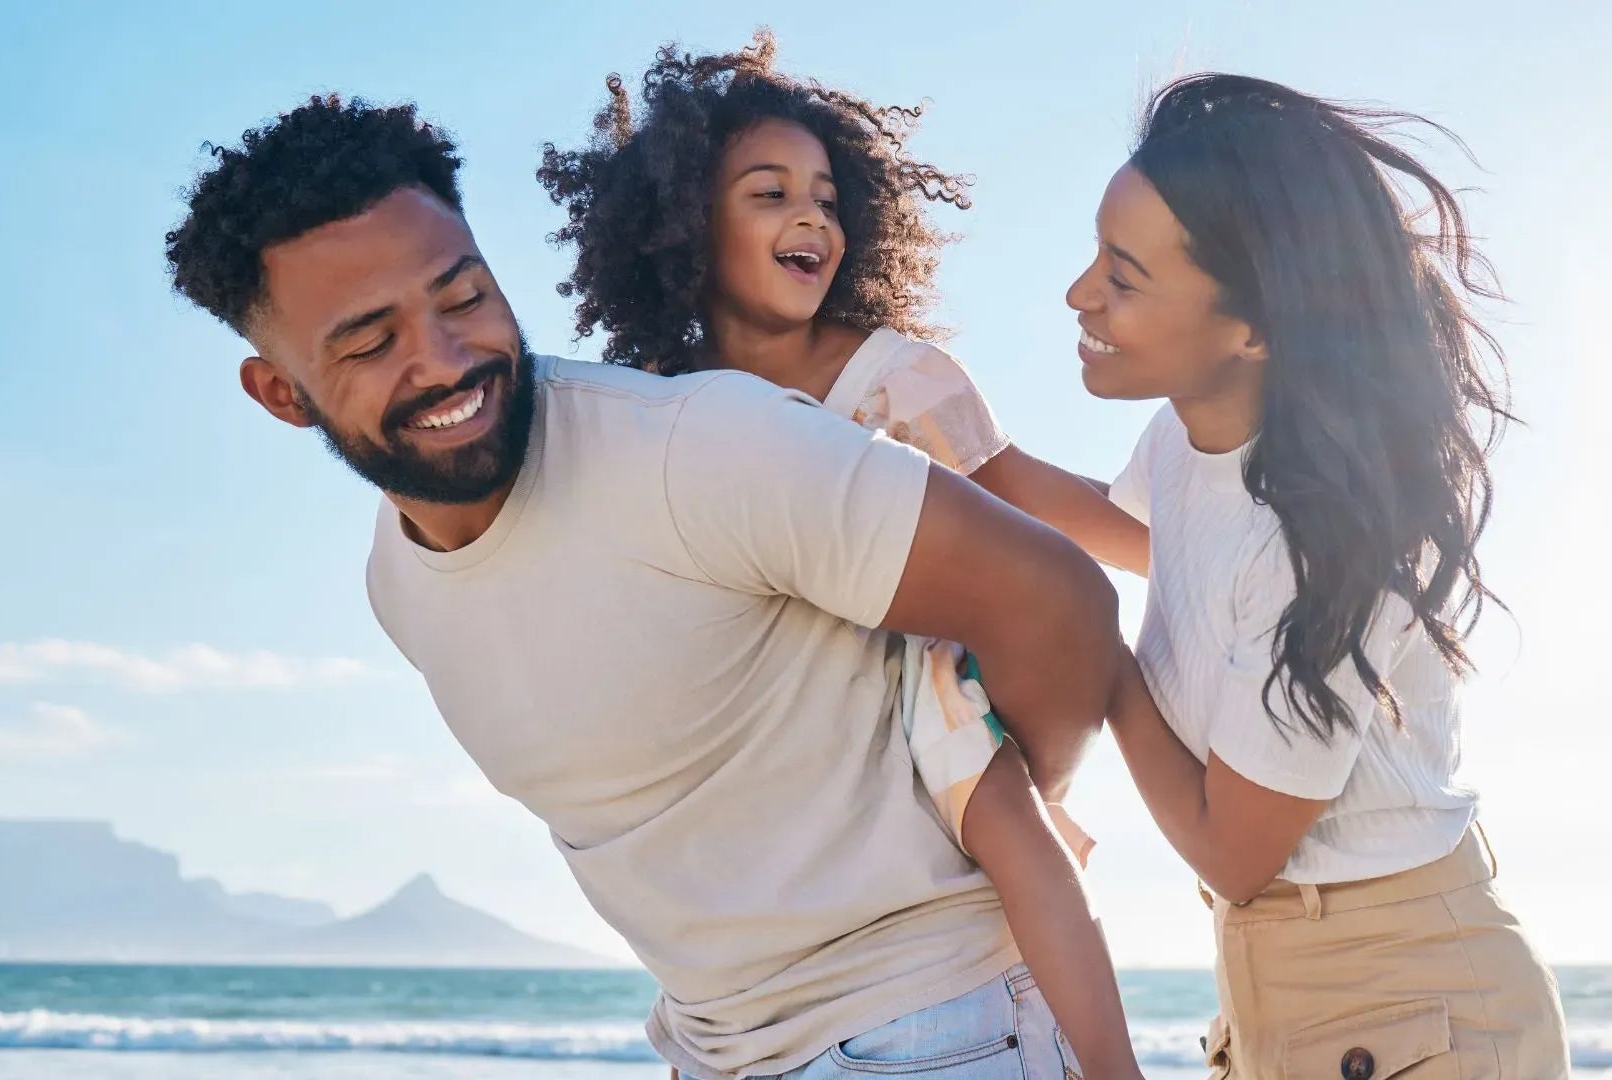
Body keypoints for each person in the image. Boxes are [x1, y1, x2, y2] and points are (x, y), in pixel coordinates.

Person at [165, 93, 1122, 1080]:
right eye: (370, 342)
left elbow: (1061, 601)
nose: (444, 361)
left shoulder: (697, 447)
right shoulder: (397, 581)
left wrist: (989, 801)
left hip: (933, 1031)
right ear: (280, 392)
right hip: (716, 1050)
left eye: (464, 298)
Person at [536, 34, 1147, 1080]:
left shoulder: (893, 378)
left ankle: (1112, 1066)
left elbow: (1024, 491)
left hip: (911, 674)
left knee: (1013, 831)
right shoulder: (664, 407)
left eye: (825, 197)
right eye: (770, 195)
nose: (811, 217)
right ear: (686, 226)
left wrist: (1176, 546)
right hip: (771, 713)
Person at [1071, 74, 1570, 1078]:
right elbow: (1150, 544)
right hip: (1289, 987)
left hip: (1408, 1003)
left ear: (1255, 327)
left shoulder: (1329, 541)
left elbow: (1234, 852)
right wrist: (944, 443)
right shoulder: (1187, 445)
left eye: (1123, 278)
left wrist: (1091, 654)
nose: (1081, 293)